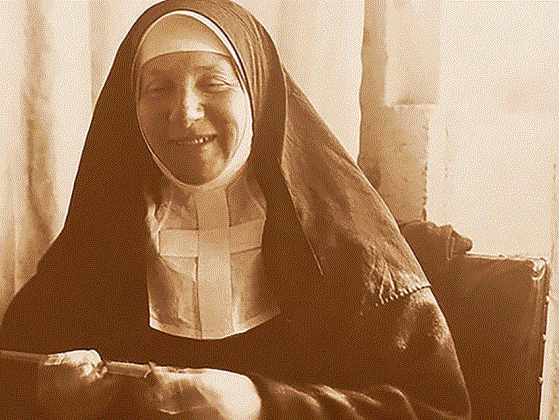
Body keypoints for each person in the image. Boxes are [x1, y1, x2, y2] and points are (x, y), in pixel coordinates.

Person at [0, 1, 471, 419]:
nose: (184, 113)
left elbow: (437, 411)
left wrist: (262, 406)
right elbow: (12, 385)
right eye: (158, 88)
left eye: (214, 83)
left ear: (256, 96)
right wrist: (50, 401)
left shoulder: (348, 249)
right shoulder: (93, 249)